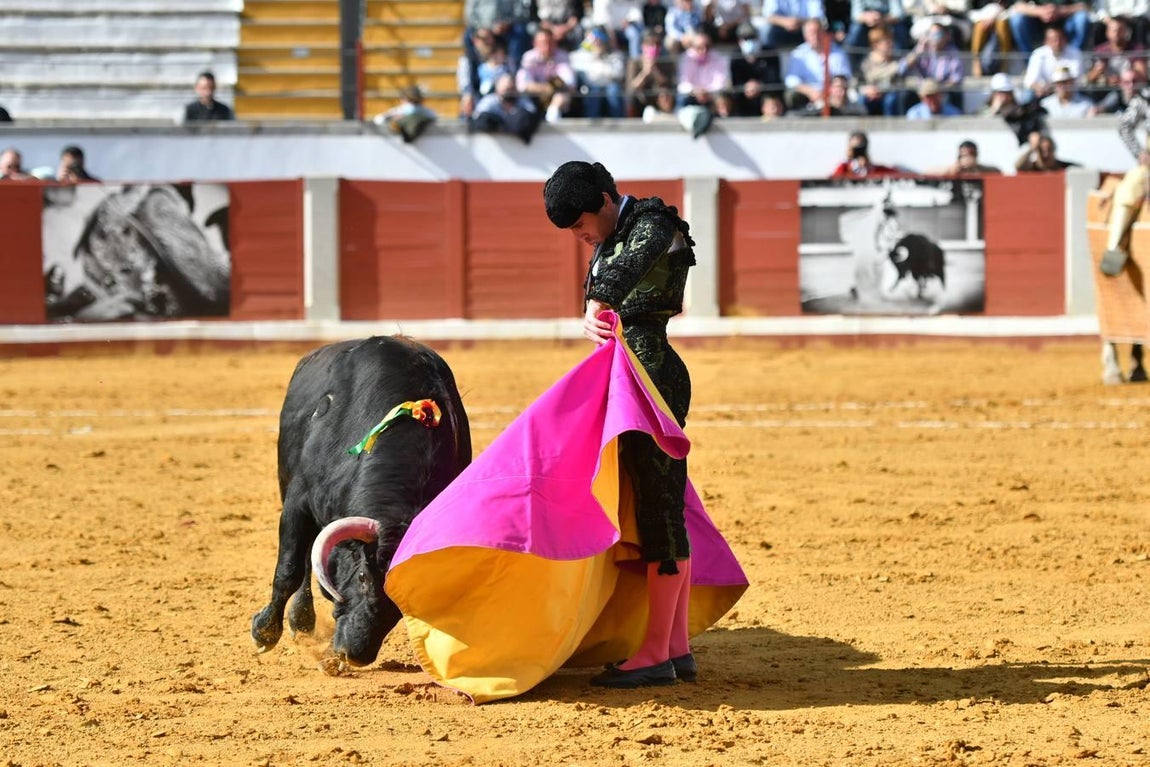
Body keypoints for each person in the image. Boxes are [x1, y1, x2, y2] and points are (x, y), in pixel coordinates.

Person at [543, 160, 698, 689]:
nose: (583, 237)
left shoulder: (655, 222)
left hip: (650, 374)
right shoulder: (615, 234)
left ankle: (656, 652)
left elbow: (632, 264)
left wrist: (598, 297)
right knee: (659, 507)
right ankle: (674, 647)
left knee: (659, 511)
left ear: (608, 200)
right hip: (628, 373)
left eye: (584, 224)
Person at [1100, 79, 1150, 275]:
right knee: (1126, 192)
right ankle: (1114, 248)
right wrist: (1139, 153)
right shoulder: (1145, 98)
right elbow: (1124, 125)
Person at [784, 18, 853, 110]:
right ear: (805, 35)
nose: (815, 36)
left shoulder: (838, 53)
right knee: (791, 95)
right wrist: (809, 91)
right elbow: (791, 80)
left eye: (817, 32)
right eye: (811, 33)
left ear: (823, 33)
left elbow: (844, 76)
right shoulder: (798, 54)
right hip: (808, 96)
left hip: (833, 94)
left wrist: (831, 91)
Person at [517, 28, 578, 121]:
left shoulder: (563, 56)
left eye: (550, 42)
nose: (547, 46)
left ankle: (553, 122)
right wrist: (548, 88)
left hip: (555, 98)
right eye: (543, 43)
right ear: (535, 44)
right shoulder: (529, 57)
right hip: (534, 97)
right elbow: (522, 85)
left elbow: (570, 83)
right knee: (523, 98)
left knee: (562, 97)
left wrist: (552, 88)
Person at [571, 26, 628, 118]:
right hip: (591, 86)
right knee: (594, 92)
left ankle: (618, 121)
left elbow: (618, 73)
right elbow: (578, 66)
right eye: (594, 41)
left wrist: (600, 64)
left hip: (610, 85)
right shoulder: (582, 54)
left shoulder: (616, 55)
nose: (597, 43)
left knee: (613, 90)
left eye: (600, 41)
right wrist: (592, 54)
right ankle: (591, 123)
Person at [470, 72, 542, 142]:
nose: (509, 93)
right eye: (506, 89)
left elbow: (531, 117)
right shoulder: (489, 101)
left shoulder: (523, 100)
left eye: (512, 89)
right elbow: (478, 118)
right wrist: (500, 124)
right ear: (497, 89)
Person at [730, 22, 782, 116]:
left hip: (765, 91)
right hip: (744, 95)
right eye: (745, 38)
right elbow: (735, 81)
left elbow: (774, 79)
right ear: (739, 41)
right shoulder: (736, 56)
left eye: (752, 38)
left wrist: (760, 85)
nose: (749, 41)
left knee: (772, 98)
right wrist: (745, 87)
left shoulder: (770, 53)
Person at [1022, 25, 1084, 100]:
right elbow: (1030, 80)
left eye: (1060, 39)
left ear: (1065, 39)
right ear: (1046, 41)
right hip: (1045, 92)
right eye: (1054, 40)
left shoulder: (1075, 53)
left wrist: (1058, 88)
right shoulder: (1038, 54)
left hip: (1068, 91)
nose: (1057, 43)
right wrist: (1039, 88)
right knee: (1028, 95)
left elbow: (1076, 78)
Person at [676, 33, 731, 108]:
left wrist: (706, 92)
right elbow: (683, 84)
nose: (704, 50)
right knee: (682, 98)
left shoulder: (719, 58)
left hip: (712, 94)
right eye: (699, 47)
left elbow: (722, 83)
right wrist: (696, 91)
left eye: (707, 47)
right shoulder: (686, 58)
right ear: (693, 47)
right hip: (693, 94)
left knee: (722, 99)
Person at [373, 86, 437, 142]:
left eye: (415, 101)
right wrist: (392, 118)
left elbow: (433, 118)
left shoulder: (425, 112)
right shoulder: (399, 110)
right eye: (410, 100)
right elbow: (379, 119)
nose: (412, 106)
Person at [830, 130, 900, 177]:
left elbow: (897, 175)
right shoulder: (844, 168)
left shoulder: (877, 169)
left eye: (861, 148)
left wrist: (868, 167)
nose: (858, 151)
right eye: (855, 149)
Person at [762, 0, 826, 50]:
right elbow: (768, 15)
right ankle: (772, 62)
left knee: (814, 29)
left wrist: (798, 22)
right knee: (766, 30)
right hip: (780, 29)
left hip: (805, 27)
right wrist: (786, 22)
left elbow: (816, 16)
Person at [928, 139, 1003, 174]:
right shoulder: (953, 169)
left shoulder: (982, 170)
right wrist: (953, 169)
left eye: (971, 154)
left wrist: (976, 169)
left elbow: (998, 172)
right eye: (964, 155)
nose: (967, 159)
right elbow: (928, 172)